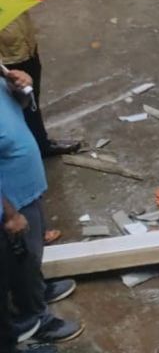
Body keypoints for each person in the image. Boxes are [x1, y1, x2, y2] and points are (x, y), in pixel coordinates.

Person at [0, 68, 83, 347]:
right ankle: (34, 319)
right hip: (10, 203)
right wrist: (9, 214)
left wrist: (21, 91)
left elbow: (14, 113)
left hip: (25, 190)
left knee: (30, 252)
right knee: (19, 259)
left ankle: (36, 289)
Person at [0, 0, 82, 169]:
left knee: (32, 101)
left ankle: (40, 143)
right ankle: (34, 149)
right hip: (9, 62)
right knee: (17, 109)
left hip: (27, 49)